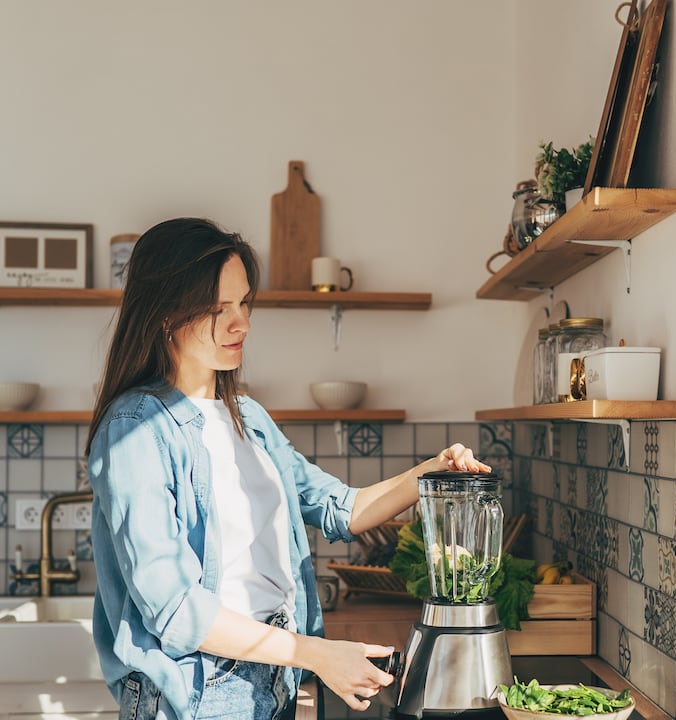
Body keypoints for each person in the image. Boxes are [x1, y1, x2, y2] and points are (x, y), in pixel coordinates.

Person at [85, 217, 491, 720]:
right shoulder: (137, 429)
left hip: (271, 679)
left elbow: (341, 508)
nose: (243, 323)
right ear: (166, 314)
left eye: (244, 302)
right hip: (198, 692)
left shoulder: (246, 417)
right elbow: (173, 609)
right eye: (219, 309)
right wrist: (312, 653)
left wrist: (431, 471)